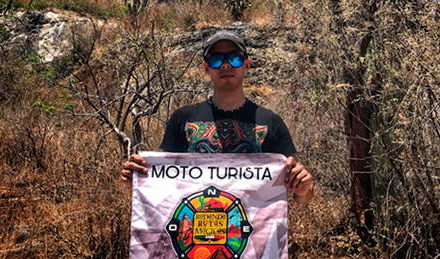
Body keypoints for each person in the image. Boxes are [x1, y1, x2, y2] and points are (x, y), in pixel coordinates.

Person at [121, 29, 314, 204]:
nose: (225, 65)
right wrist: (139, 180)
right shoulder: (183, 119)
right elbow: (164, 185)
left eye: (235, 58)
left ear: (247, 65)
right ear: (206, 68)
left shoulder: (271, 123)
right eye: (216, 60)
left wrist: (303, 187)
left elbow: (302, 199)